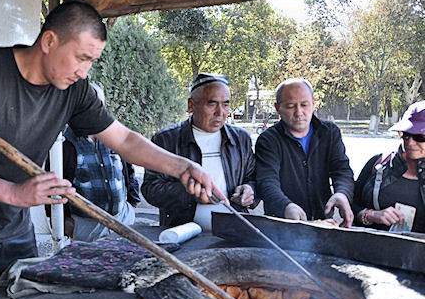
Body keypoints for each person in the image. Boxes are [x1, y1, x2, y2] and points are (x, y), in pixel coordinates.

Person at [0, 0, 224, 299]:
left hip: (15, 229)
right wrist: (12, 191)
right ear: (49, 41)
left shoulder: (74, 90)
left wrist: (182, 166)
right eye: (81, 57)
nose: (84, 71)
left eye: (92, 61)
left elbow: (125, 140)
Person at [142, 73, 256, 230]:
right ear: (191, 105)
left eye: (226, 104)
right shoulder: (167, 140)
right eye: (212, 104)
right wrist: (190, 193)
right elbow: (151, 189)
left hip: (234, 232)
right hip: (181, 232)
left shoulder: (240, 139)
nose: (220, 112)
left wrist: (250, 190)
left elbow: (253, 178)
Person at [255, 78, 354, 227]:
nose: (299, 112)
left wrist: (342, 193)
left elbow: (342, 170)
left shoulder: (329, 133)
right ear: (278, 108)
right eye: (290, 106)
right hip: (282, 225)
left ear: (313, 104)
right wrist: (286, 206)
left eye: (304, 105)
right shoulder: (268, 140)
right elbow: (267, 182)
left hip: (324, 222)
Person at [62, 83, 141, 241]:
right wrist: (63, 221)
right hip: (86, 226)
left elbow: (129, 170)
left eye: (98, 106)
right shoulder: (64, 142)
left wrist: (132, 203)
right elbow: (53, 186)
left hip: (123, 219)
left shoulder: (115, 136)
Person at [352, 101, 425, 233]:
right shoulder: (378, 165)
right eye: (406, 135)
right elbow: (351, 205)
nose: (410, 142)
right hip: (373, 250)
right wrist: (371, 215)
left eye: (420, 136)